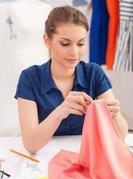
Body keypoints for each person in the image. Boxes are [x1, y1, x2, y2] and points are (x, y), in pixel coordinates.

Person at [15, 5, 128, 154]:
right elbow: (31, 145)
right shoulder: (30, 78)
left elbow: (122, 133)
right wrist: (61, 111)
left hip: (87, 156)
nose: (74, 52)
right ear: (47, 40)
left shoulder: (93, 73)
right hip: (45, 158)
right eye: (65, 43)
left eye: (81, 43)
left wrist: (114, 115)